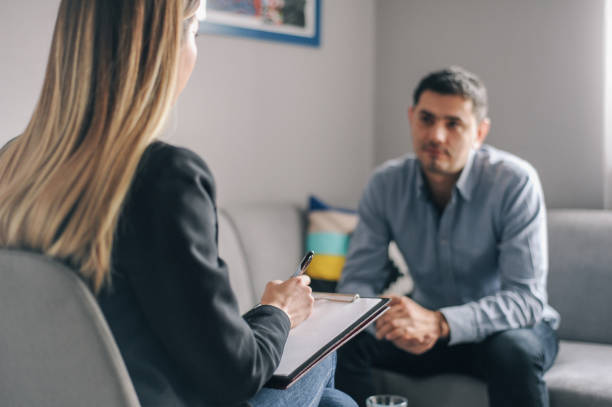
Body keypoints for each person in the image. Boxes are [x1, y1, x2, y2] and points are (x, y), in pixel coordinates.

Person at [0, 1, 356, 406]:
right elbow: (236, 375)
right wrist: (278, 311)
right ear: (163, 43)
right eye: (196, 31)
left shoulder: (11, 167)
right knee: (323, 347)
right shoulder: (162, 177)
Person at [334, 66, 560, 407]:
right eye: (426, 119)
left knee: (513, 351)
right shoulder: (385, 184)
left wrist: (440, 323)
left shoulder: (514, 182)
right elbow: (356, 285)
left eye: (453, 124)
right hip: (423, 329)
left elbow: (526, 299)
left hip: (502, 330)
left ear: (480, 132)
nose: (436, 135)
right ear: (411, 118)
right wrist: (393, 322)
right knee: (344, 341)